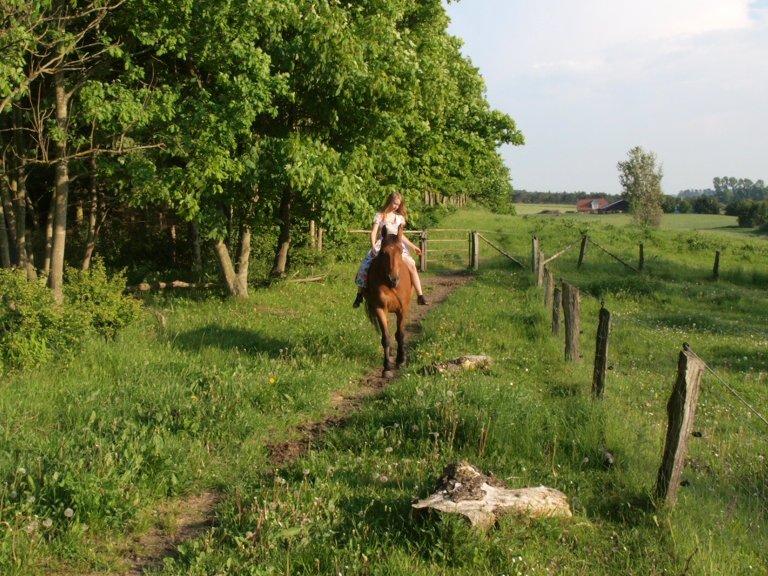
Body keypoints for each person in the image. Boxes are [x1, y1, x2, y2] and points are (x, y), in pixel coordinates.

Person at [353, 193, 427, 308]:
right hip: (382, 245)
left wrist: (413, 246)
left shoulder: (399, 218)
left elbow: (401, 236)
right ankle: (359, 294)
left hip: (397, 246)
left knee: (412, 264)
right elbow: (373, 232)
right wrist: (373, 246)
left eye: (398, 204)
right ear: (389, 201)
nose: (396, 206)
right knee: (365, 265)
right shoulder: (380, 216)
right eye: (394, 203)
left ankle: (420, 295)